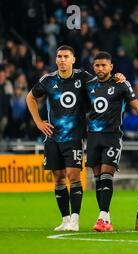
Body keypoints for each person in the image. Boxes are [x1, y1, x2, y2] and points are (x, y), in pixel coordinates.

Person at [26, 45, 103, 231]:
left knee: (73, 176)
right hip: (52, 137)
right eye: (59, 56)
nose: (62, 60)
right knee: (58, 178)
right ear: (56, 60)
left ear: (73, 60)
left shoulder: (83, 77)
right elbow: (30, 97)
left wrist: (119, 78)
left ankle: (75, 220)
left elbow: (103, 83)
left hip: (74, 137)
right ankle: (65, 219)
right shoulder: (48, 80)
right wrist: (38, 122)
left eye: (66, 56)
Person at [85, 51, 138, 232]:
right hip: (93, 137)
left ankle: (102, 217)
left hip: (112, 136)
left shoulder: (121, 84)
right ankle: (105, 218)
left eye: (104, 65)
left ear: (111, 67)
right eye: (97, 65)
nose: (100, 69)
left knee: (107, 175)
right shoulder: (88, 86)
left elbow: (136, 106)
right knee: (98, 179)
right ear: (93, 67)